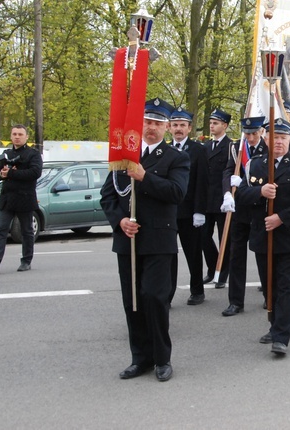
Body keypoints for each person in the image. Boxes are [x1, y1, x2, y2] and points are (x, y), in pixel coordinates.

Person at [100, 98, 190, 382]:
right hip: (128, 239)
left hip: (158, 239)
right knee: (133, 301)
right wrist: (119, 221)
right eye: (147, 123)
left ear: (165, 127)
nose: (151, 128)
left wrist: (144, 176)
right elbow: (108, 195)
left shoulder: (176, 157)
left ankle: (162, 358)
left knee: (154, 297)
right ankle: (140, 358)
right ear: (140, 125)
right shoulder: (125, 155)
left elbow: (177, 193)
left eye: (157, 123)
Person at [236, 118, 290, 356]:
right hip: (264, 236)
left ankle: (282, 336)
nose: (279, 142)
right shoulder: (255, 165)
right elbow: (241, 195)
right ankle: (274, 326)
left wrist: (281, 217)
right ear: (266, 139)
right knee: (270, 286)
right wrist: (259, 192)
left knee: (288, 286)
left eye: (283, 138)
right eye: (274, 137)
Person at [219, 116, 267, 317]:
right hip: (239, 210)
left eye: (254, 133)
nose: (251, 137)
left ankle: (268, 293)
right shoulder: (236, 147)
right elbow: (228, 171)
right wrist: (227, 192)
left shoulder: (269, 148)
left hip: (260, 209)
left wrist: (249, 187)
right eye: (247, 134)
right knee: (236, 255)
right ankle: (236, 301)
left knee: (263, 255)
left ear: (261, 132)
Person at [0, 125, 43, 274]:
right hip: (7, 198)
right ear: (11, 136)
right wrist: (2, 174)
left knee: (27, 231)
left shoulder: (33, 154)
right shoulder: (6, 153)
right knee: (1, 230)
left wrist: (12, 174)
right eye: (14, 134)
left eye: (20, 134)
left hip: (25, 198)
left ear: (26, 137)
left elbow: (35, 173)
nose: (17, 137)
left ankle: (26, 260)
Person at [168, 107, 208, 306]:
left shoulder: (199, 150)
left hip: (190, 211)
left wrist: (199, 210)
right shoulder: (165, 149)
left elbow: (202, 182)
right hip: (168, 212)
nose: (178, 129)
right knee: (168, 256)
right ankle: (167, 295)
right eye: (175, 125)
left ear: (189, 128)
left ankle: (197, 291)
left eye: (182, 125)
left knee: (193, 253)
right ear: (169, 128)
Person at [201, 108, 233, 288]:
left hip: (222, 199)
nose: (212, 126)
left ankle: (222, 273)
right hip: (206, 200)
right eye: (211, 123)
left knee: (224, 238)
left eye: (216, 123)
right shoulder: (205, 147)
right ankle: (212, 267)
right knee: (204, 237)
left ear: (225, 125)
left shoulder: (231, 146)